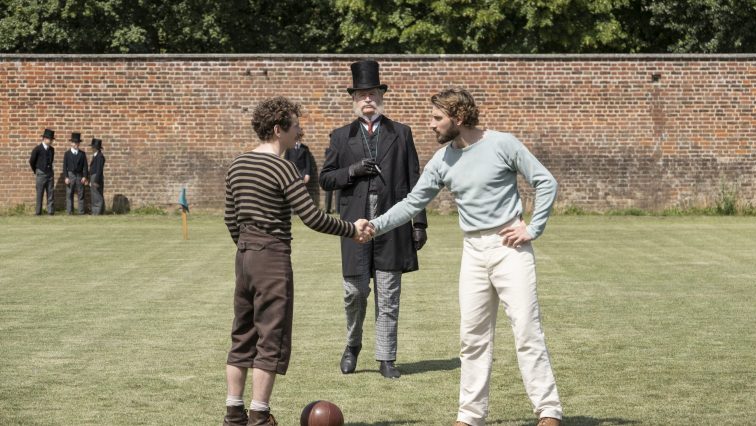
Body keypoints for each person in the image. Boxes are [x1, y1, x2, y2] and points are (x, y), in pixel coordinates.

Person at [368, 89, 563, 426]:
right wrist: (374, 226)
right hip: (472, 251)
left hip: (509, 247)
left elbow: (546, 182)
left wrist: (533, 228)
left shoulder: (503, 144)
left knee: (526, 331)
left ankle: (548, 411)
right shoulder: (442, 160)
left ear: (458, 118)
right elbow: (412, 203)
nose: (431, 125)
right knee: (472, 338)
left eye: (437, 118)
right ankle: (470, 416)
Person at [222, 96, 373, 426]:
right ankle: (260, 416)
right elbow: (312, 217)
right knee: (270, 338)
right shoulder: (283, 167)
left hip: (244, 256)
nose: (299, 132)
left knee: (242, 336)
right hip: (272, 259)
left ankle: (234, 415)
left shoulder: (237, 165)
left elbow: (230, 219)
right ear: (278, 129)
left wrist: (248, 247)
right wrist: (351, 229)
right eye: (295, 126)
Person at [319, 60, 428, 379]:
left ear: (381, 96)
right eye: (361, 94)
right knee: (354, 292)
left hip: (392, 222)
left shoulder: (401, 133)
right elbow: (326, 179)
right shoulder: (341, 136)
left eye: (373, 93)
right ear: (354, 100)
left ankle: (386, 357)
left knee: (388, 293)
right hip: (353, 224)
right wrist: (351, 171)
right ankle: (353, 345)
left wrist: (419, 223)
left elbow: (416, 182)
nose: (367, 99)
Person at [28, 128, 56, 215]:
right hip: (41, 173)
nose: (51, 141)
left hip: (50, 173)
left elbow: (51, 160)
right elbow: (32, 161)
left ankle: (50, 211)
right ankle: (38, 212)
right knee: (40, 193)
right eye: (49, 139)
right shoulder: (37, 149)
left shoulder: (52, 149)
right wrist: (36, 170)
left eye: (51, 139)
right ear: (44, 138)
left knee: (50, 192)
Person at [62, 132, 89, 215]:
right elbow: (64, 167)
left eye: (77, 142)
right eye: (74, 142)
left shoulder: (82, 154)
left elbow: (85, 166)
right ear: (71, 143)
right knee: (69, 194)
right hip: (70, 175)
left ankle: (81, 211)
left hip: (80, 175)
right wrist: (66, 177)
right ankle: (70, 211)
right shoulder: (67, 154)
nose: (76, 144)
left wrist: (85, 176)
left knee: (81, 194)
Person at [89, 138, 106, 215]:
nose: (92, 148)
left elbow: (99, 169)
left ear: (95, 148)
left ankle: (98, 211)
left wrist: (96, 180)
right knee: (94, 195)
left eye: (92, 147)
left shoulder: (100, 156)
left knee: (97, 195)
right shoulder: (95, 156)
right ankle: (95, 211)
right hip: (93, 176)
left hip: (96, 177)